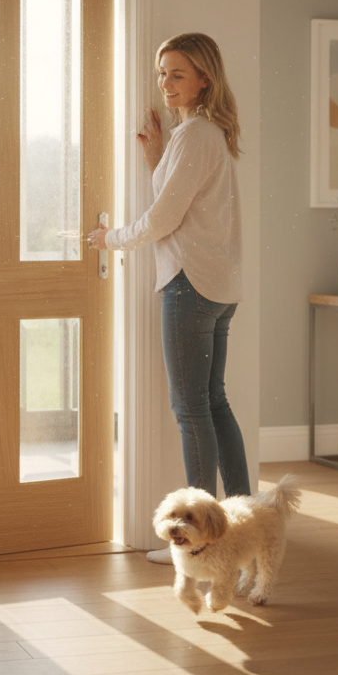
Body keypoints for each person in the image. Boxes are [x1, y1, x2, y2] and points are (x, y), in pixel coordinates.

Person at [88, 32, 250, 563]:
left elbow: (161, 219)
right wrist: (158, 154)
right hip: (219, 286)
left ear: (205, 77)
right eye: (162, 74)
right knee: (215, 404)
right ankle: (245, 519)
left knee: (191, 411)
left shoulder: (197, 134)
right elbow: (179, 198)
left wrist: (109, 239)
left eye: (176, 74)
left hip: (190, 284)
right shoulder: (210, 134)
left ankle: (197, 541)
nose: (165, 84)